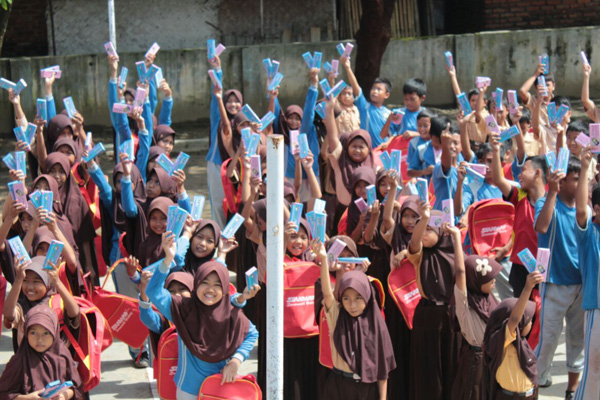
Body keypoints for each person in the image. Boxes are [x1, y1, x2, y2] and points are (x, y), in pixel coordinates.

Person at [146, 233, 258, 399]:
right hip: (188, 390)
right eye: (204, 283)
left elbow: (252, 333)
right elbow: (153, 291)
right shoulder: (182, 309)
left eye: (217, 285)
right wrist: (167, 260)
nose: (210, 290)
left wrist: (236, 361)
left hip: (220, 387)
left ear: (225, 289)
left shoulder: (231, 312)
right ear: (196, 283)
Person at [314, 238, 395, 400]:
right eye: (346, 299)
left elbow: (382, 372)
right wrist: (324, 260)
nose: (352, 305)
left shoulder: (376, 326)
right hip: (338, 385)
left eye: (358, 298)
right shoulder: (337, 317)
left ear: (367, 296)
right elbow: (328, 294)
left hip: (366, 390)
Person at [533, 157, 584, 396]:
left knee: (578, 341)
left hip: (583, 285)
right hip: (554, 283)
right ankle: (534, 383)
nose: (580, 183)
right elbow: (541, 228)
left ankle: (572, 390)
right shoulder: (545, 202)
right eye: (575, 179)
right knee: (548, 341)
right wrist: (551, 193)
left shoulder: (586, 206)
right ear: (561, 183)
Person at [406, 201, 459, 400]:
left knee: (450, 366)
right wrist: (425, 217)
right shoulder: (419, 255)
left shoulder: (454, 252)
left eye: (430, 229)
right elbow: (414, 242)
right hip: (427, 314)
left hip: (451, 314)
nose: (425, 233)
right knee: (429, 369)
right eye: (423, 229)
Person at [490, 131, 546, 297]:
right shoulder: (520, 196)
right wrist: (495, 150)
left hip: (545, 265)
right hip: (520, 266)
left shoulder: (552, 199)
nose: (519, 175)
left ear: (538, 173)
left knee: (542, 312)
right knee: (523, 313)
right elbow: (498, 180)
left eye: (524, 170)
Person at [450, 232, 502, 400]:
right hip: (476, 358)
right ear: (477, 281)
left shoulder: (490, 298)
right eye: (489, 278)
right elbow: (460, 271)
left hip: (492, 358)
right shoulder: (465, 302)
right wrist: (457, 237)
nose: (494, 281)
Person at [0, 303, 84, 400]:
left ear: (54, 332)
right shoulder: (19, 361)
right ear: (26, 333)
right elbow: (3, 394)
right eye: (34, 333)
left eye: (46, 333)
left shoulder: (62, 354)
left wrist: (63, 396)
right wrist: (28, 398)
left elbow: (76, 387)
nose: (40, 339)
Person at [482, 272, 543, 400]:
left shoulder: (523, 343)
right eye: (528, 320)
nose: (531, 323)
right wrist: (527, 288)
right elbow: (514, 320)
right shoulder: (503, 342)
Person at [574, 148, 600, 400]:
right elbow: (582, 210)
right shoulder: (590, 236)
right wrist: (584, 169)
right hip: (597, 310)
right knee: (594, 369)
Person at [341, 54, 397, 148]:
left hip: (381, 154)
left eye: (379, 89)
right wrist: (348, 68)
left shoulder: (389, 114)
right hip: (366, 152)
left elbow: (394, 134)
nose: (374, 91)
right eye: (373, 88)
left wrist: (387, 144)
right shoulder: (364, 107)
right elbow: (356, 87)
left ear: (386, 95)